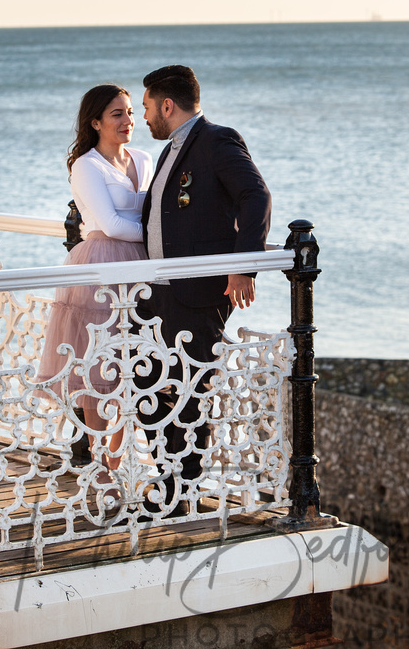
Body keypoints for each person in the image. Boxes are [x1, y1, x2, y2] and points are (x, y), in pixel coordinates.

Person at [136, 64, 271, 514]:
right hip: (158, 290)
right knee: (146, 382)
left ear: (167, 105)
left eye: (148, 107)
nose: (146, 116)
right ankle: (167, 477)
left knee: (192, 391)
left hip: (197, 291)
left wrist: (243, 266)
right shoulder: (171, 149)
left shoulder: (216, 140)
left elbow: (256, 196)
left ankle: (183, 492)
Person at [37, 84, 153, 481]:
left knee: (130, 369)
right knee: (97, 369)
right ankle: (101, 465)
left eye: (131, 112)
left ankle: (120, 466)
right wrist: (162, 238)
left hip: (143, 270)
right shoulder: (86, 165)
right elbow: (111, 224)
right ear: (96, 122)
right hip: (100, 266)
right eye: (117, 114)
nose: (128, 120)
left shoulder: (144, 158)